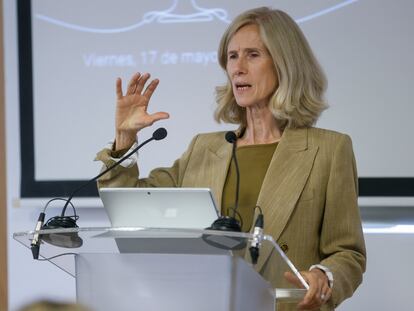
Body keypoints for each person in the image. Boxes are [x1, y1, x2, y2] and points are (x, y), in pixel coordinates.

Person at [96, 7, 366, 311]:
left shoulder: (328, 150)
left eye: (252, 55)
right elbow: (131, 207)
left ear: (285, 64)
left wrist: (323, 277)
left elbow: (348, 253)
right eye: (232, 56)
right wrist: (125, 139)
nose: (237, 68)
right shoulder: (205, 148)